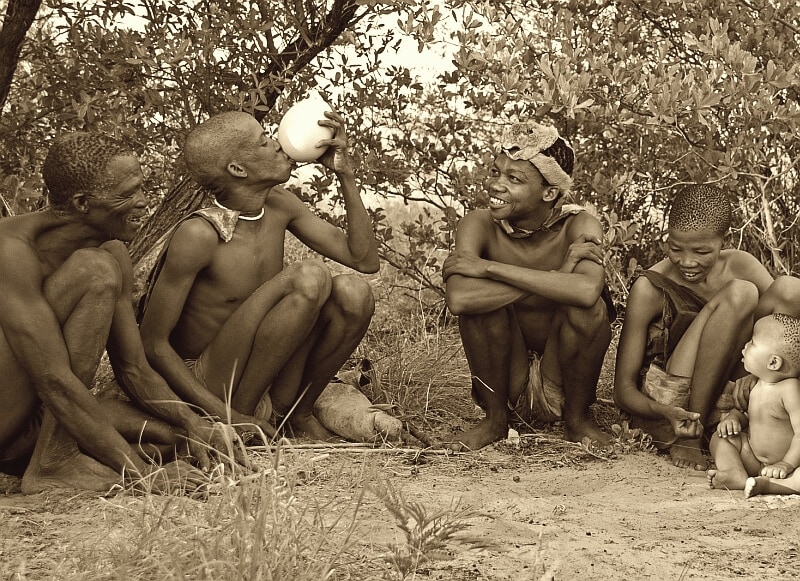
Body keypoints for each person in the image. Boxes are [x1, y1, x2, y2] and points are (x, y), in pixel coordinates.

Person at [0, 133, 237, 495]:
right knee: (95, 270)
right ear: (83, 203)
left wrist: (194, 422)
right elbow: (53, 380)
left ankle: (58, 456)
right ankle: (53, 463)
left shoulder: (113, 252)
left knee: (177, 441)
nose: (144, 202)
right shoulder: (11, 250)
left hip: (37, 421)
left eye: (142, 187)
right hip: (10, 418)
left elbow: (132, 368)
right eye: (128, 194)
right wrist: (144, 476)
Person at [137, 109, 379, 442]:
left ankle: (297, 414)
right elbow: (153, 345)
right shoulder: (199, 234)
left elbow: (363, 259)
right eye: (264, 142)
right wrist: (228, 415)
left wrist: (345, 173)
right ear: (238, 169)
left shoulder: (279, 204)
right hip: (211, 386)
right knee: (309, 276)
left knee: (354, 293)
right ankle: (245, 420)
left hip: (266, 374)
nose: (279, 144)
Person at [442, 121, 615, 451]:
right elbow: (460, 299)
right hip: (508, 377)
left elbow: (585, 291)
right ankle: (495, 420)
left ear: (549, 193)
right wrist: (559, 274)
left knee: (590, 311)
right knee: (481, 306)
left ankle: (577, 419)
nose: (496, 185)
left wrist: (488, 268)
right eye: (496, 172)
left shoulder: (580, 224)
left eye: (514, 179)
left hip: (559, 378)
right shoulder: (478, 224)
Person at [614, 184, 800, 470]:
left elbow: (781, 331)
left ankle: (758, 418)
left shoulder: (740, 264)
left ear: (724, 241)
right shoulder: (648, 287)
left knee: (789, 289)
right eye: (675, 248)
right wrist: (666, 412)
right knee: (741, 293)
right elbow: (623, 390)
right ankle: (691, 435)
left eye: (702, 251)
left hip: (729, 391)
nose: (687, 262)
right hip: (675, 401)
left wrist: (757, 373)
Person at [707, 313, 800, 496]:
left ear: (773, 362)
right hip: (754, 459)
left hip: (789, 467)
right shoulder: (758, 383)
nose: (746, 345)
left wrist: (786, 464)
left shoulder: (790, 389)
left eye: (752, 343)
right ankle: (736, 472)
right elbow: (751, 414)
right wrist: (734, 419)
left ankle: (770, 486)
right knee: (720, 438)